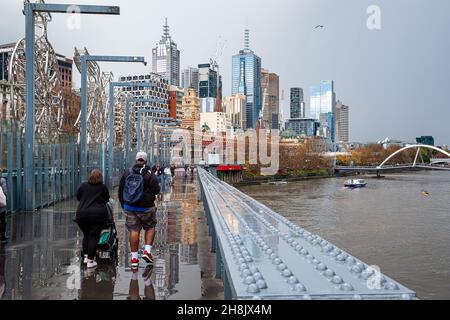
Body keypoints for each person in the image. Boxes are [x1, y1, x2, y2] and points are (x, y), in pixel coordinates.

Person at [119, 152, 160, 269]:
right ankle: (147, 251)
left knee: (134, 230)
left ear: (136, 160)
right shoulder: (149, 173)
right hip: (146, 207)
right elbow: (156, 190)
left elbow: (121, 190)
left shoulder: (127, 172)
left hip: (130, 207)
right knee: (151, 227)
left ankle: (134, 259)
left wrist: (124, 205)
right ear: (146, 161)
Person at [75, 169, 111, 269]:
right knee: (93, 237)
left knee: (86, 235)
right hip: (97, 215)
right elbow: (107, 199)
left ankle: (86, 257)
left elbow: (78, 197)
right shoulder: (102, 187)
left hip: (82, 215)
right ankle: (91, 261)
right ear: (101, 177)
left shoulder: (83, 185)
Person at [0, 174, 8, 244]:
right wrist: (6, 198)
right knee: (3, 221)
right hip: (1, 205)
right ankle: (2, 237)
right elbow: (4, 191)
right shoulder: (2, 180)